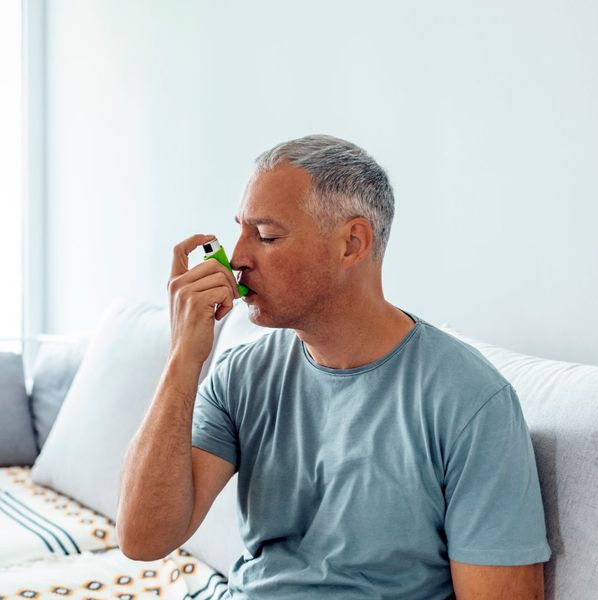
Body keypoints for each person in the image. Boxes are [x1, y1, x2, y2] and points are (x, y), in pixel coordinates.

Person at [117, 134, 551, 599]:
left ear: (351, 243)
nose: (238, 259)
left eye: (265, 235)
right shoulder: (239, 376)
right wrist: (184, 356)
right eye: (240, 230)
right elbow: (144, 539)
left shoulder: (469, 402)